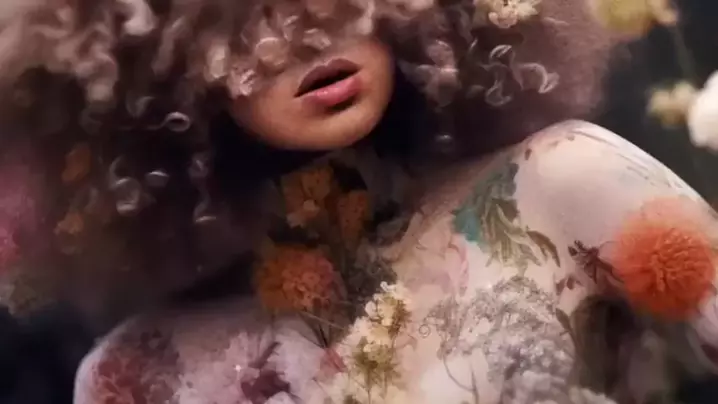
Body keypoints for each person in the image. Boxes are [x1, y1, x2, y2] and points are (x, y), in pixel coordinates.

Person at [0, 0, 714, 403]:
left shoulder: (558, 184)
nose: (307, 35)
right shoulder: (139, 377)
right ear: (154, 73)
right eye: (240, 18)